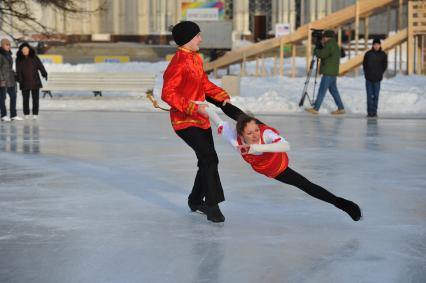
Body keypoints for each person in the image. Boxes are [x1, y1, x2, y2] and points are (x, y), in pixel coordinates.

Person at [202, 107, 362, 221]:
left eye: (256, 130)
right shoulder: (235, 140)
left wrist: (255, 146)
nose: (254, 135)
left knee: (305, 185)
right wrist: (205, 107)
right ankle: (223, 103)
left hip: (278, 165)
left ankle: (342, 203)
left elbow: (286, 146)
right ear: (241, 135)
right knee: (238, 116)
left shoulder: (265, 133)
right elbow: (219, 122)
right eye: (250, 133)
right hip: (267, 169)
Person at [161, 21, 244, 223]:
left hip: (202, 119)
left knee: (207, 159)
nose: (201, 39)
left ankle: (195, 200)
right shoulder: (178, 62)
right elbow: (168, 93)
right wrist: (192, 107)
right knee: (208, 157)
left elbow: (203, 84)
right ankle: (212, 205)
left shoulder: (196, 59)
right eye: (198, 35)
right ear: (188, 39)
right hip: (184, 121)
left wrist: (220, 96)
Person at [306, 30, 345, 115]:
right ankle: (341, 108)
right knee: (334, 91)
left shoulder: (329, 45)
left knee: (322, 90)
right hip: (333, 72)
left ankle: (316, 108)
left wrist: (316, 50)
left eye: (324, 37)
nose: (323, 39)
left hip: (328, 72)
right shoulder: (334, 44)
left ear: (327, 37)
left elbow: (322, 54)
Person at [16, 42, 48, 120]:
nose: (25, 51)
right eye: (23, 49)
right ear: (21, 51)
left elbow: (40, 66)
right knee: (25, 99)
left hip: (35, 81)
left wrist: (44, 73)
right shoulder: (19, 59)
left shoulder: (34, 57)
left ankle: (35, 113)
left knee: (35, 99)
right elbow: (18, 70)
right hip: (24, 82)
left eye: (26, 49)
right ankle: (26, 113)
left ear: (29, 49)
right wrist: (19, 79)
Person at [363, 38, 387, 118]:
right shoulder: (368, 54)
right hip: (369, 78)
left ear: (380, 45)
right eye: (375, 44)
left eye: (378, 44)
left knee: (376, 95)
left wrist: (380, 72)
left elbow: (385, 65)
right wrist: (366, 74)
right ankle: (370, 112)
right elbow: (364, 65)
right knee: (369, 95)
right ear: (373, 45)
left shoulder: (383, 54)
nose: (376, 46)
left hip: (377, 79)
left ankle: (374, 111)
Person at [0, 38, 23, 122]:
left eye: (9, 44)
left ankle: (13, 115)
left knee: (13, 96)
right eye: (6, 44)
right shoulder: (1, 55)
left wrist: (15, 74)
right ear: (2, 45)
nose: (8, 46)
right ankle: (4, 115)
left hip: (11, 79)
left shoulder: (8, 54)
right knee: (2, 98)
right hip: (3, 80)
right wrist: (1, 80)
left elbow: (9, 67)